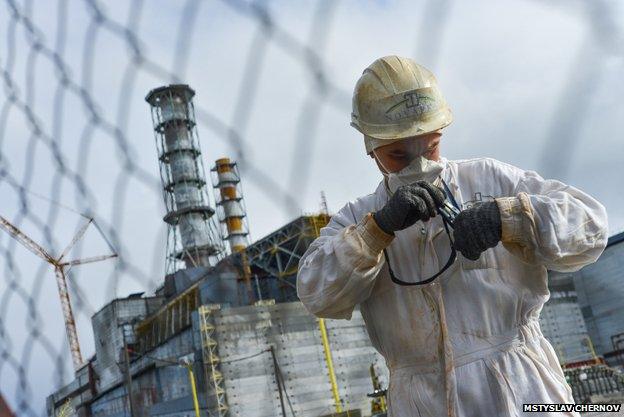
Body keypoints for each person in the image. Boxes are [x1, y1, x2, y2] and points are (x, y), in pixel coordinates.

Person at [296, 55, 609, 417]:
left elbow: (591, 225)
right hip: (421, 399)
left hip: (520, 383)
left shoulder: (490, 180)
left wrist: (509, 217)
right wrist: (376, 231)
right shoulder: (357, 217)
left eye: (430, 147)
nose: (419, 163)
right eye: (399, 154)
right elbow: (315, 292)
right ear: (371, 146)